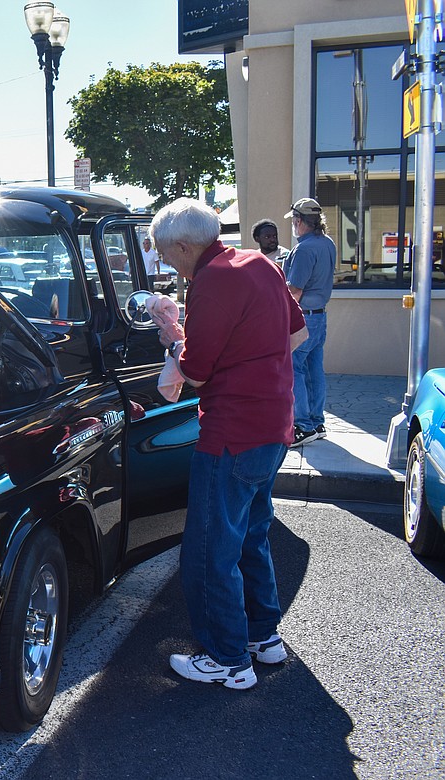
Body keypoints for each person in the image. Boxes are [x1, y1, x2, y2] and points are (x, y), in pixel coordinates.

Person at [150, 197, 307, 690]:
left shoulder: (211, 281)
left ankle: (226, 658)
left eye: (165, 253)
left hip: (230, 432)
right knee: (251, 537)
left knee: (209, 549)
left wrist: (173, 337)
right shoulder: (259, 263)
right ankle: (263, 637)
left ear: (182, 245)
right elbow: (297, 334)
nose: (165, 263)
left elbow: (195, 371)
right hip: (274, 426)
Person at [284, 198, 336, 446]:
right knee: (314, 368)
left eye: (294, 220)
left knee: (294, 368)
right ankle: (316, 422)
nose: (293, 225)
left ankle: (303, 426)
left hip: (303, 316)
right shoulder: (327, 243)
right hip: (320, 315)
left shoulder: (304, 249)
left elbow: (294, 290)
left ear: (299, 221)